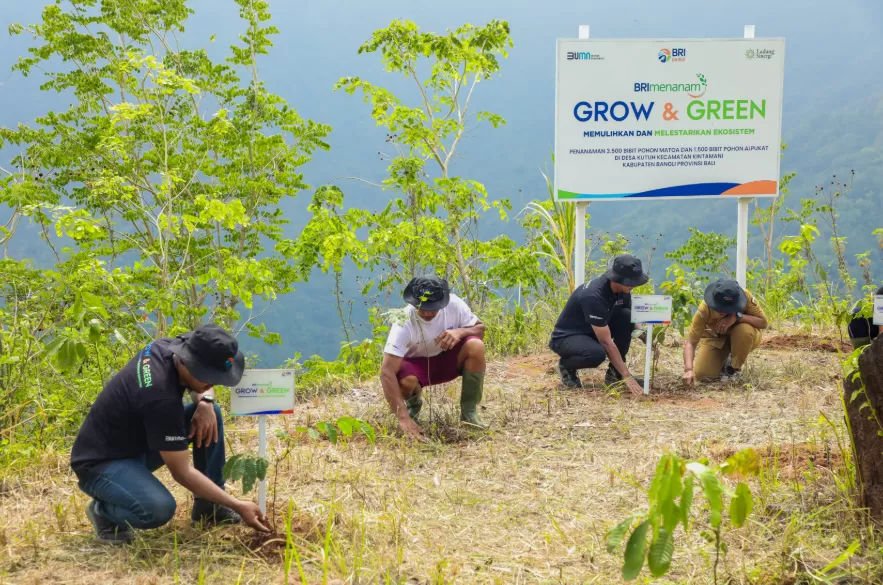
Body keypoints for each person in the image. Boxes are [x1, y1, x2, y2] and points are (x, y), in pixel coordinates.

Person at [70, 324, 270, 544]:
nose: (212, 384)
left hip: (138, 439)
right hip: (101, 462)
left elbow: (201, 390)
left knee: (211, 413)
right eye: (208, 378)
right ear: (189, 364)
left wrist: (206, 401)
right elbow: (182, 472)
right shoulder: (160, 396)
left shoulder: (167, 348)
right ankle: (104, 513)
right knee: (157, 509)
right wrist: (238, 505)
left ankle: (209, 507)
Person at [380, 276, 487, 441]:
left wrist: (460, 332)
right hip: (415, 367)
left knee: (476, 346)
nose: (427, 312)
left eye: (433, 307)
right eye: (422, 307)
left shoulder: (454, 304)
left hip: (447, 360)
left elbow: (480, 328)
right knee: (406, 382)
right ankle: (411, 411)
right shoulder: (403, 322)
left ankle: (469, 413)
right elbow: (387, 371)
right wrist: (403, 418)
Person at [549, 254, 649, 395]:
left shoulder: (622, 290)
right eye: (630, 282)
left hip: (593, 331)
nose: (633, 285)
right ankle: (565, 366)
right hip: (568, 337)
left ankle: (614, 375)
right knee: (596, 355)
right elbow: (606, 342)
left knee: (626, 316)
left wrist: (645, 336)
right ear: (616, 279)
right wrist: (627, 376)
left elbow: (631, 315)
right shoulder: (593, 296)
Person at [682, 279, 768, 386]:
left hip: (743, 336)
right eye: (720, 308)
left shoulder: (746, 297)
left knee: (744, 330)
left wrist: (737, 317)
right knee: (704, 374)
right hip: (717, 339)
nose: (723, 311)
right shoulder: (704, 309)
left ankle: (734, 368)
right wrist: (688, 370)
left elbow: (763, 323)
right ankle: (723, 361)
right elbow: (691, 342)